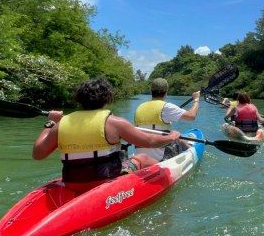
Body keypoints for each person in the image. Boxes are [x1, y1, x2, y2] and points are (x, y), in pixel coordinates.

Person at [32, 78, 181, 183]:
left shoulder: (60, 124)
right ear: (108, 98)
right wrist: (172, 137)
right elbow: (150, 141)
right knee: (142, 157)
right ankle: (164, 177)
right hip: (106, 181)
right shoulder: (116, 123)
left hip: (72, 182)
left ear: (79, 99)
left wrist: (51, 122)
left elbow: (37, 154)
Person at [133, 78, 200, 161]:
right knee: (177, 136)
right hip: (160, 158)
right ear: (166, 92)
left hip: (140, 155)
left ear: (151, 91)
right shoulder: (167, 107)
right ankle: (191, 150)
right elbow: (191, 116)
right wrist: (196, 100)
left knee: (171, 133)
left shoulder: (139, 107)